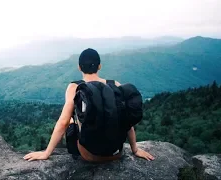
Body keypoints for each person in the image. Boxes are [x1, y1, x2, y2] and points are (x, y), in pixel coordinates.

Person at [23, 48, 155, 162]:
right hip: (117, 153)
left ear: (79, 67)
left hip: (89, 156)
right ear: (99, 66)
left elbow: (63, 122)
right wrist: (135, 149)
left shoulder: (75, 87)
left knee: (69, 119)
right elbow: (127, 121)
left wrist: (46, 153)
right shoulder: (115, 85)